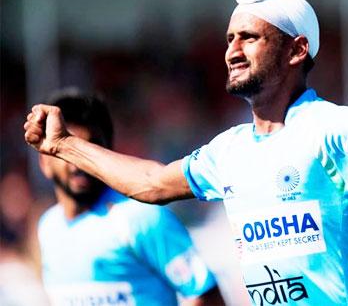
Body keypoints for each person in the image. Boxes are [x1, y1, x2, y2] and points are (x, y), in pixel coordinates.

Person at [24, 0, 348, 305]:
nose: (231, 51)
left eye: (249, 38)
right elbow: (152, 182)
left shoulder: (336, 126)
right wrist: (63, 145)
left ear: (296, 50)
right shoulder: (229, 150)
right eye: (229, 39)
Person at [34, 88, 224, 306]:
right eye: (67, 152)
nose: (79, 164)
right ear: (45, 162)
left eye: (90, 149)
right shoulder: (48, 226)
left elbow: (206, 296)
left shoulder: (140, 218)